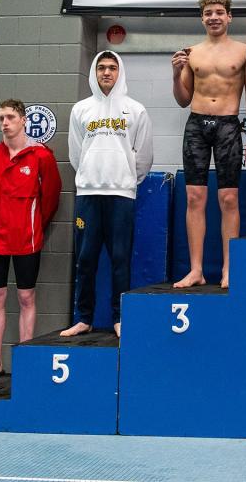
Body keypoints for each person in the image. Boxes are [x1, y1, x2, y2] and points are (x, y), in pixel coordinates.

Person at [0, 99, 61, 382]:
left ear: (23, 120)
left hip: (26, 240)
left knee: (26, 296)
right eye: (0, 119)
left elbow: (51, 199)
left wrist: (31, 226)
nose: (5, 123)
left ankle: (25, 358)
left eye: (10, 117)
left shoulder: (40, 157)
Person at [171, 0, 246, 289]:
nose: (214, 17)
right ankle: (196, 270)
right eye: (208, 13)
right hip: (197, 124)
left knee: (229, 198)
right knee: (195, 198)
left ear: (229, 16)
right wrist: (175, 74)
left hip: (227, 125)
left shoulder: (243, 51)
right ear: (202, 18)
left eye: (219, 12)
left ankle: (228, 269)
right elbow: (183, 100)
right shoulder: (192, 53)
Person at [62, 51, 153, 338]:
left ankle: (119, 317)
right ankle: (84, 318)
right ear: (94, 71)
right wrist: (90, 177)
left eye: (112, 68)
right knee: (86, 259)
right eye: (101, 67)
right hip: (88, 193)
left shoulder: (135, 110)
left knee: (120, 259)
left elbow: (145, 156)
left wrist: (125, 180)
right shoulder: (81, 110)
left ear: (120, 71)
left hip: (121, 195)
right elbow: (76, 154)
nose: (106, 72)